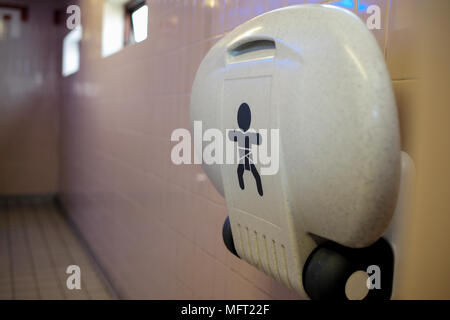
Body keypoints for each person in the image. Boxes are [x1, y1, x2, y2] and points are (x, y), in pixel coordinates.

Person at [228, 103, 263, 196]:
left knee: (254, 175)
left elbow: (259, 140)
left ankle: (255, 190)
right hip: (245, 160)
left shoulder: (245, 134)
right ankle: (247, 188)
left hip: (247, 160)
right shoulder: (244, 134)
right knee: (244, 173)